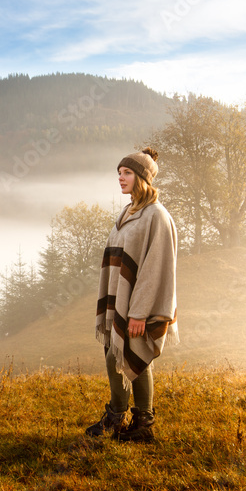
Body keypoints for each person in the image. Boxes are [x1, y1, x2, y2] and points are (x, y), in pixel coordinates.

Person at [89, 147, 178, 442]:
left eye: (127, 173)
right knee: (115, 354)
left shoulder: (156, 216)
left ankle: (138, 424)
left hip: (139, 305)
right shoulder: (129, 212)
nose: (120, 178)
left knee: (135, 357)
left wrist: (140, 312)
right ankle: (121, 417)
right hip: (120, 301)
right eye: (119, 173)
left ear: (142, 177)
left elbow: (155, 269)